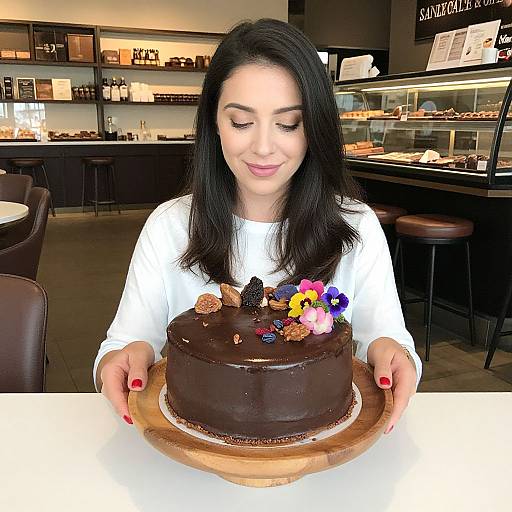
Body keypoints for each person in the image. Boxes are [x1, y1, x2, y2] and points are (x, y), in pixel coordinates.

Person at [94, 18, 422, 434]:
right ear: (214, 123)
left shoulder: (355, 228)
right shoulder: (169, 226)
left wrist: (394, 353)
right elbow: (122, 345)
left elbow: (389, 340)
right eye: (241, 122)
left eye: (288, 123)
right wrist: (124, 358)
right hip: (186, 468)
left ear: (314, 127)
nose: (264, 146)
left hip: (329, 469)